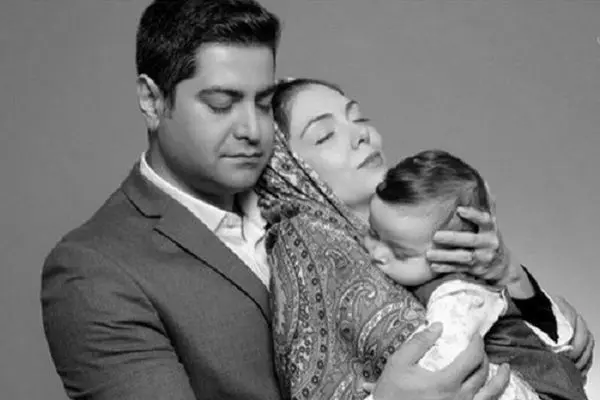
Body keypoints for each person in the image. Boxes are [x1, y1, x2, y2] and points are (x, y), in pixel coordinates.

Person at [41, 2, 530, 400]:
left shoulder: (331, 204)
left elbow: (516, 350)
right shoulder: (94, 270)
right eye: (221, 104)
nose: (252, 130)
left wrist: (508, 276)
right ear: (152, 99)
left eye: (262, 103)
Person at [256, 78, 593, 399]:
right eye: (325, 135)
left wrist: (514, 278)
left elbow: (554, 350)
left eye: (359, 118)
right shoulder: (309, 243)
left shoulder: (425, 228)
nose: (361, 134)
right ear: (287, 171)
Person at [364, 149, 588, 400]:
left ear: (454, 253)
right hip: (549, 375)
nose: (377, 253)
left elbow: (440, 360)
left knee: (476, 372)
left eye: (400, 253)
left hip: (541, 391)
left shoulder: (459, 295)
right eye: (373, 232)